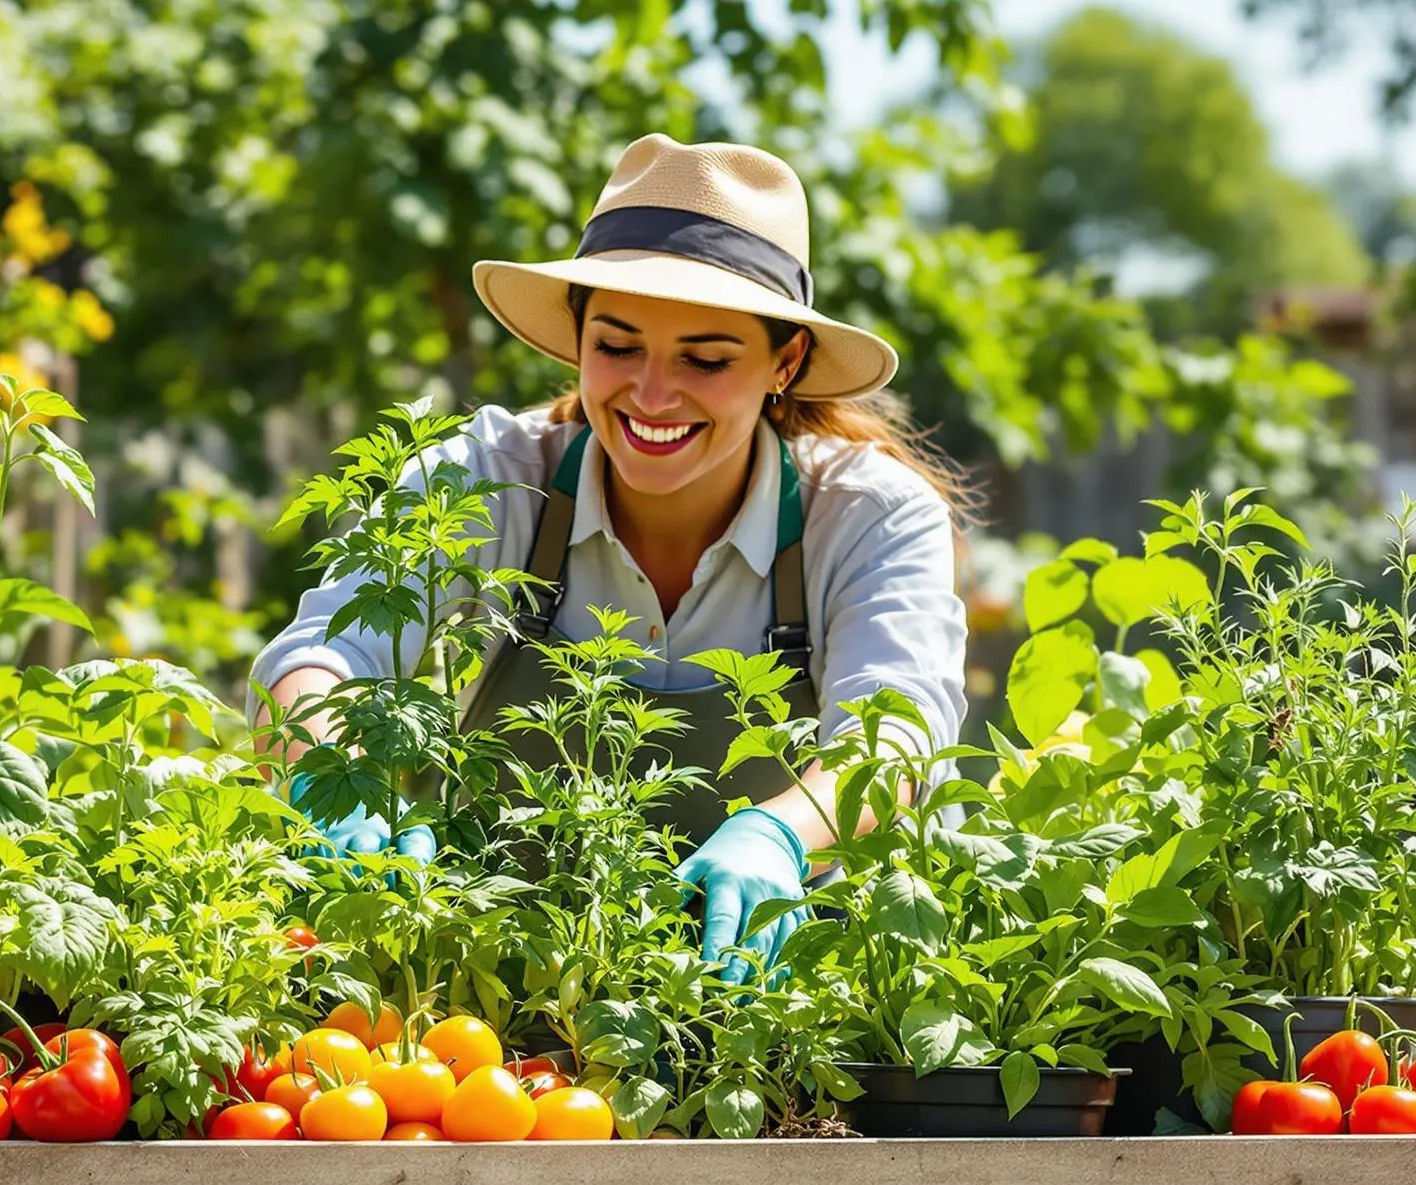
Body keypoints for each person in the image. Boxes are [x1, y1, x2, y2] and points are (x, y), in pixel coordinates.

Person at [253, 133, 970, 980]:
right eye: (618, 346)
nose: (652, 395)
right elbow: (320, 657)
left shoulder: (864, 515)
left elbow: (894, 747)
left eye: (706, 359)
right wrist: (335, 773)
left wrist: (781, 833)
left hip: (793, 1004)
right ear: (576, 335)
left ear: (787, 360)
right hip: (504, 1001)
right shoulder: (485, 479)